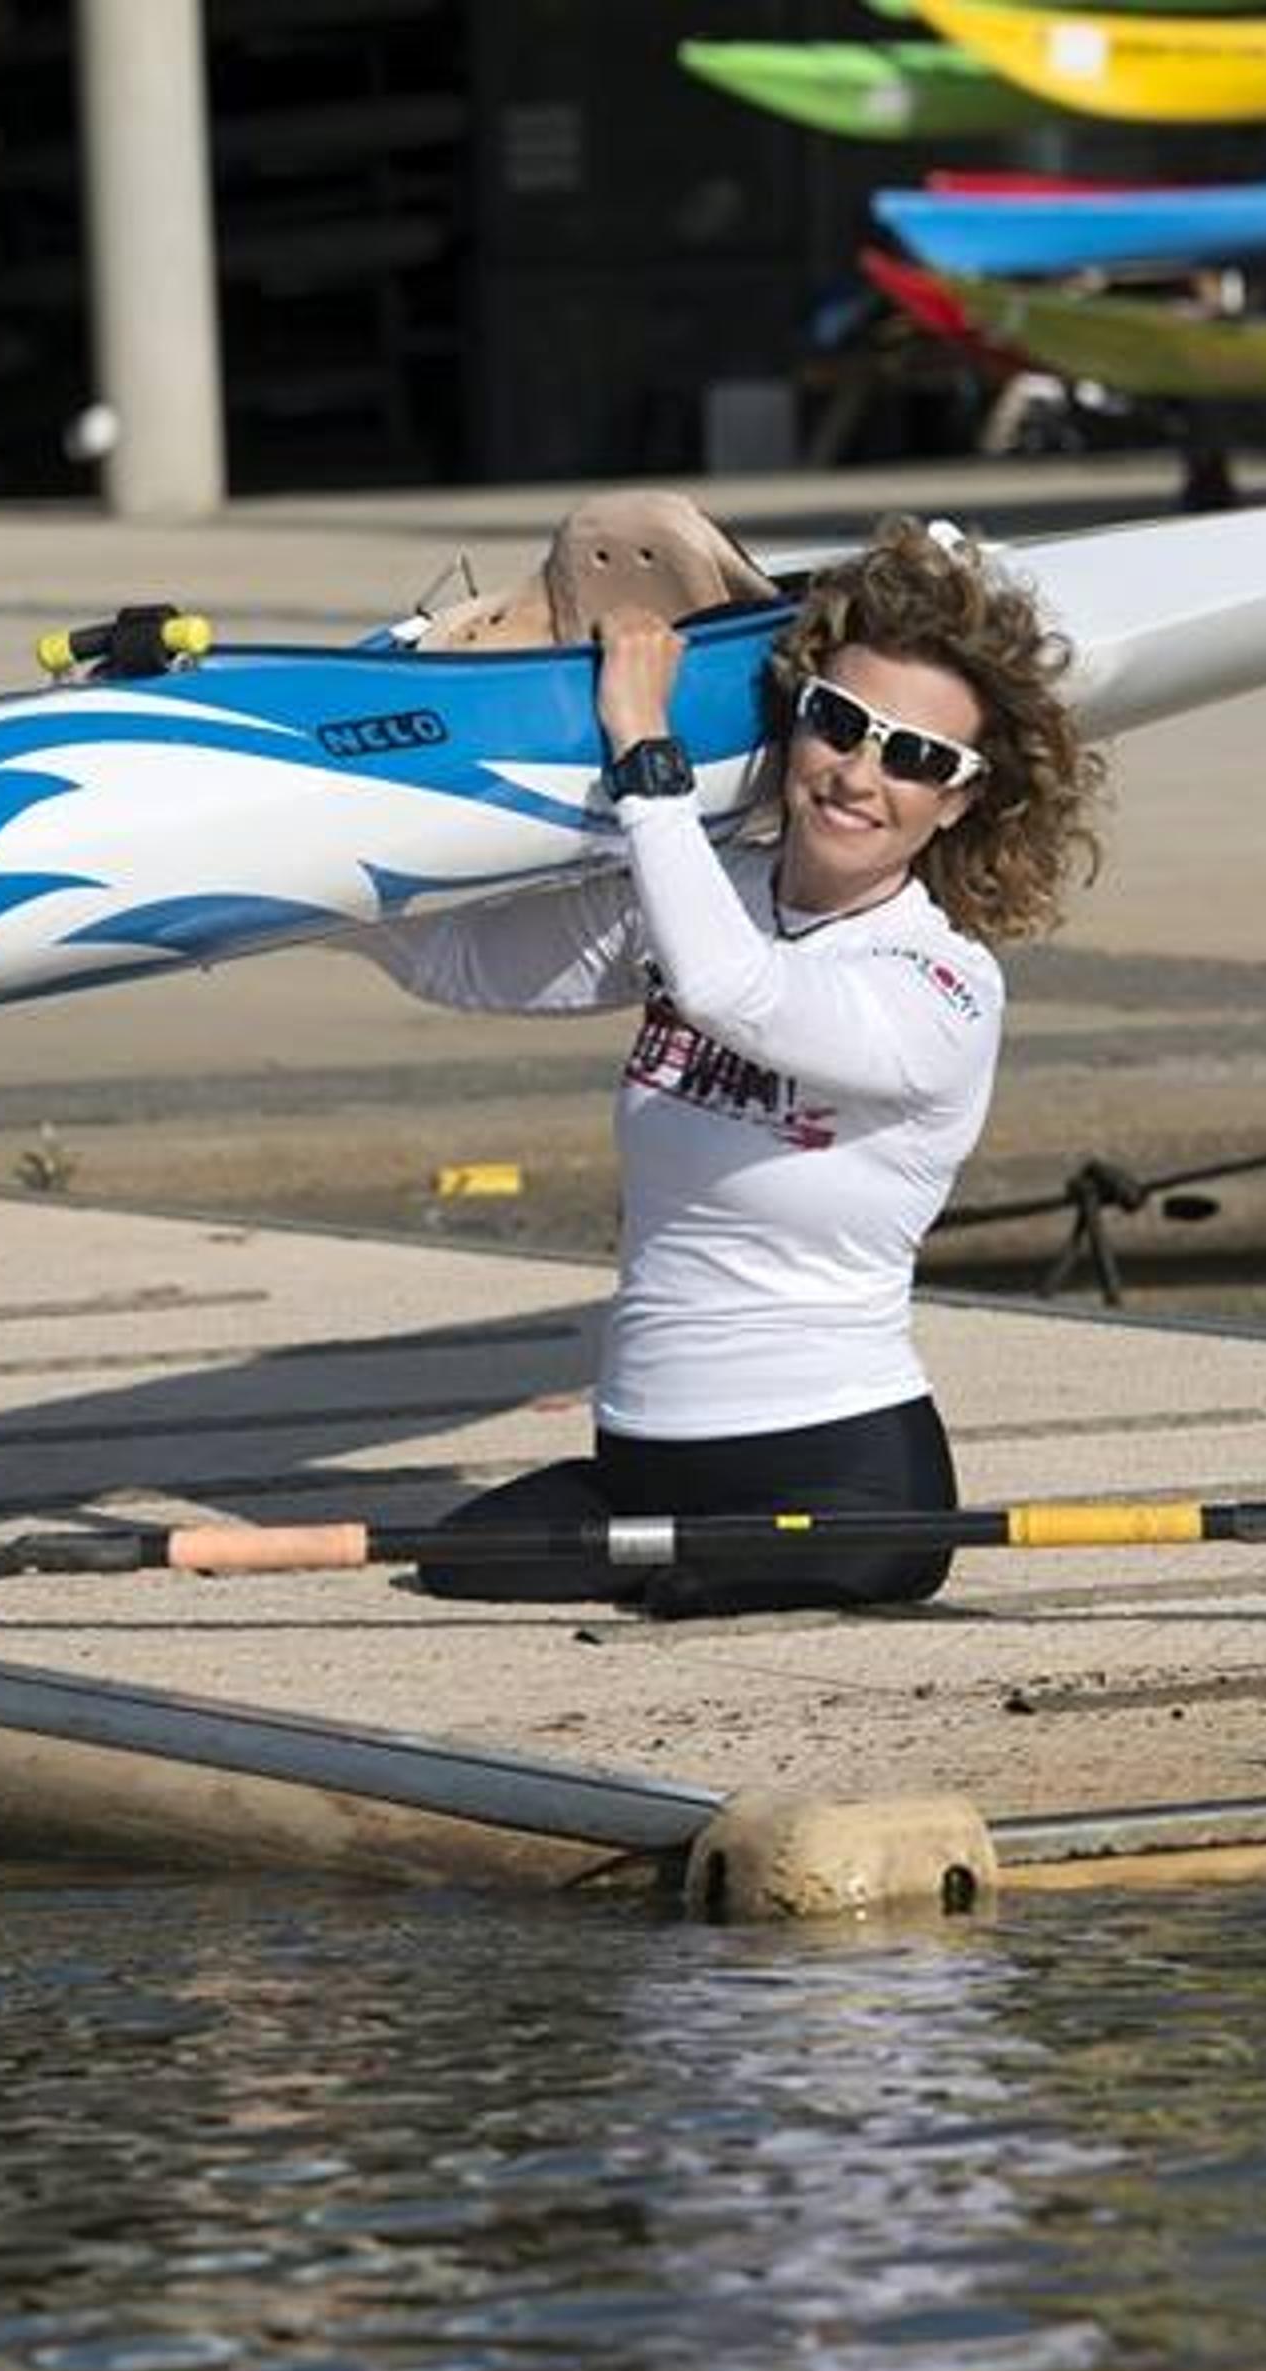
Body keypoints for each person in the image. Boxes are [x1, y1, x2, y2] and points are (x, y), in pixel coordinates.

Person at [358, 509, 1105, 1616]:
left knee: (742, 1580)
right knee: (457, 1562)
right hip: (643, 1454)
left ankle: (695, 1567)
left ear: (959, 799)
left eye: (913, 757)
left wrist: (641, 747)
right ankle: (666, 1555)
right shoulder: (712, 891)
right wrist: (281, 883)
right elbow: (464, 958)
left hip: (839, 1472)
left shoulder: (940, 985)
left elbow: (732, 990)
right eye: (839, 722)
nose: (859, 772)